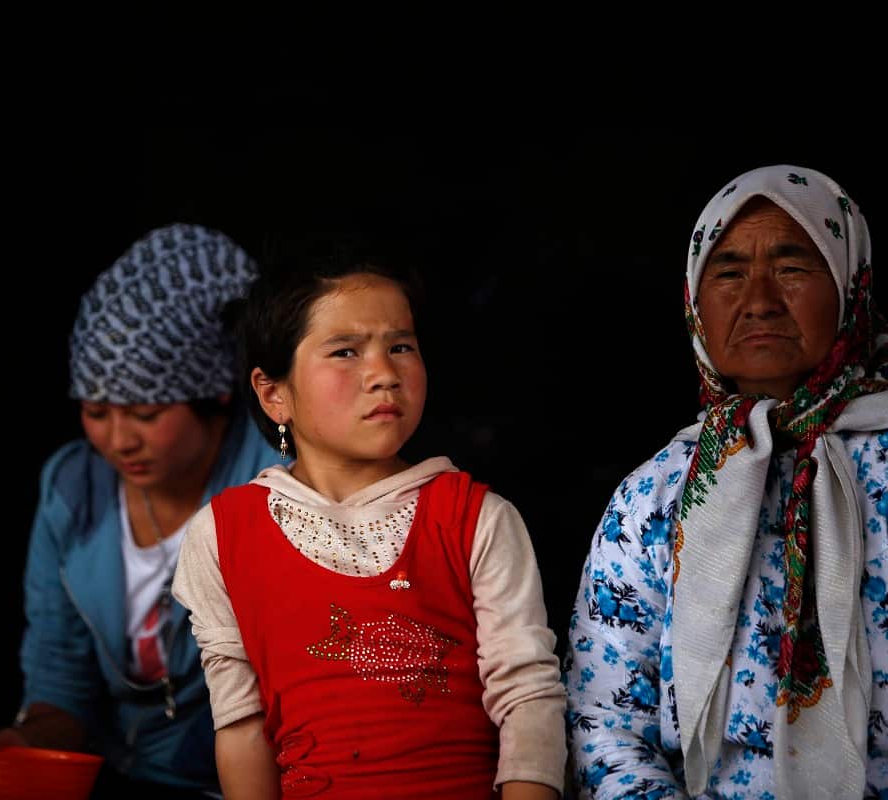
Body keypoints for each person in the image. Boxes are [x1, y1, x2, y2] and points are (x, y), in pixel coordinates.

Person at [173, 241, 568, 799]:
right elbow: (240, 727)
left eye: (401, 345)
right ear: (274, 393)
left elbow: (528, 700)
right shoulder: (223, 535)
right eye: (345, 351)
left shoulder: (475, 517)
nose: (384, 373)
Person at [564, 165, 888, 799]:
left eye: (793, 267)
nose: (760, 299)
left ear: (852, 287)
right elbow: (603, 721)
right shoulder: (653, 497)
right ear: (695, 305)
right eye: (730, 272)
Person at [0, 223, 280, 798]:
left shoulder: (274, 488)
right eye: (95, 411)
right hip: (118, 776)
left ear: (212, 394)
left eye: (143, 413)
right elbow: (59, 669)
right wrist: (29, 739)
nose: (117, 440)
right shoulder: (72, 486)